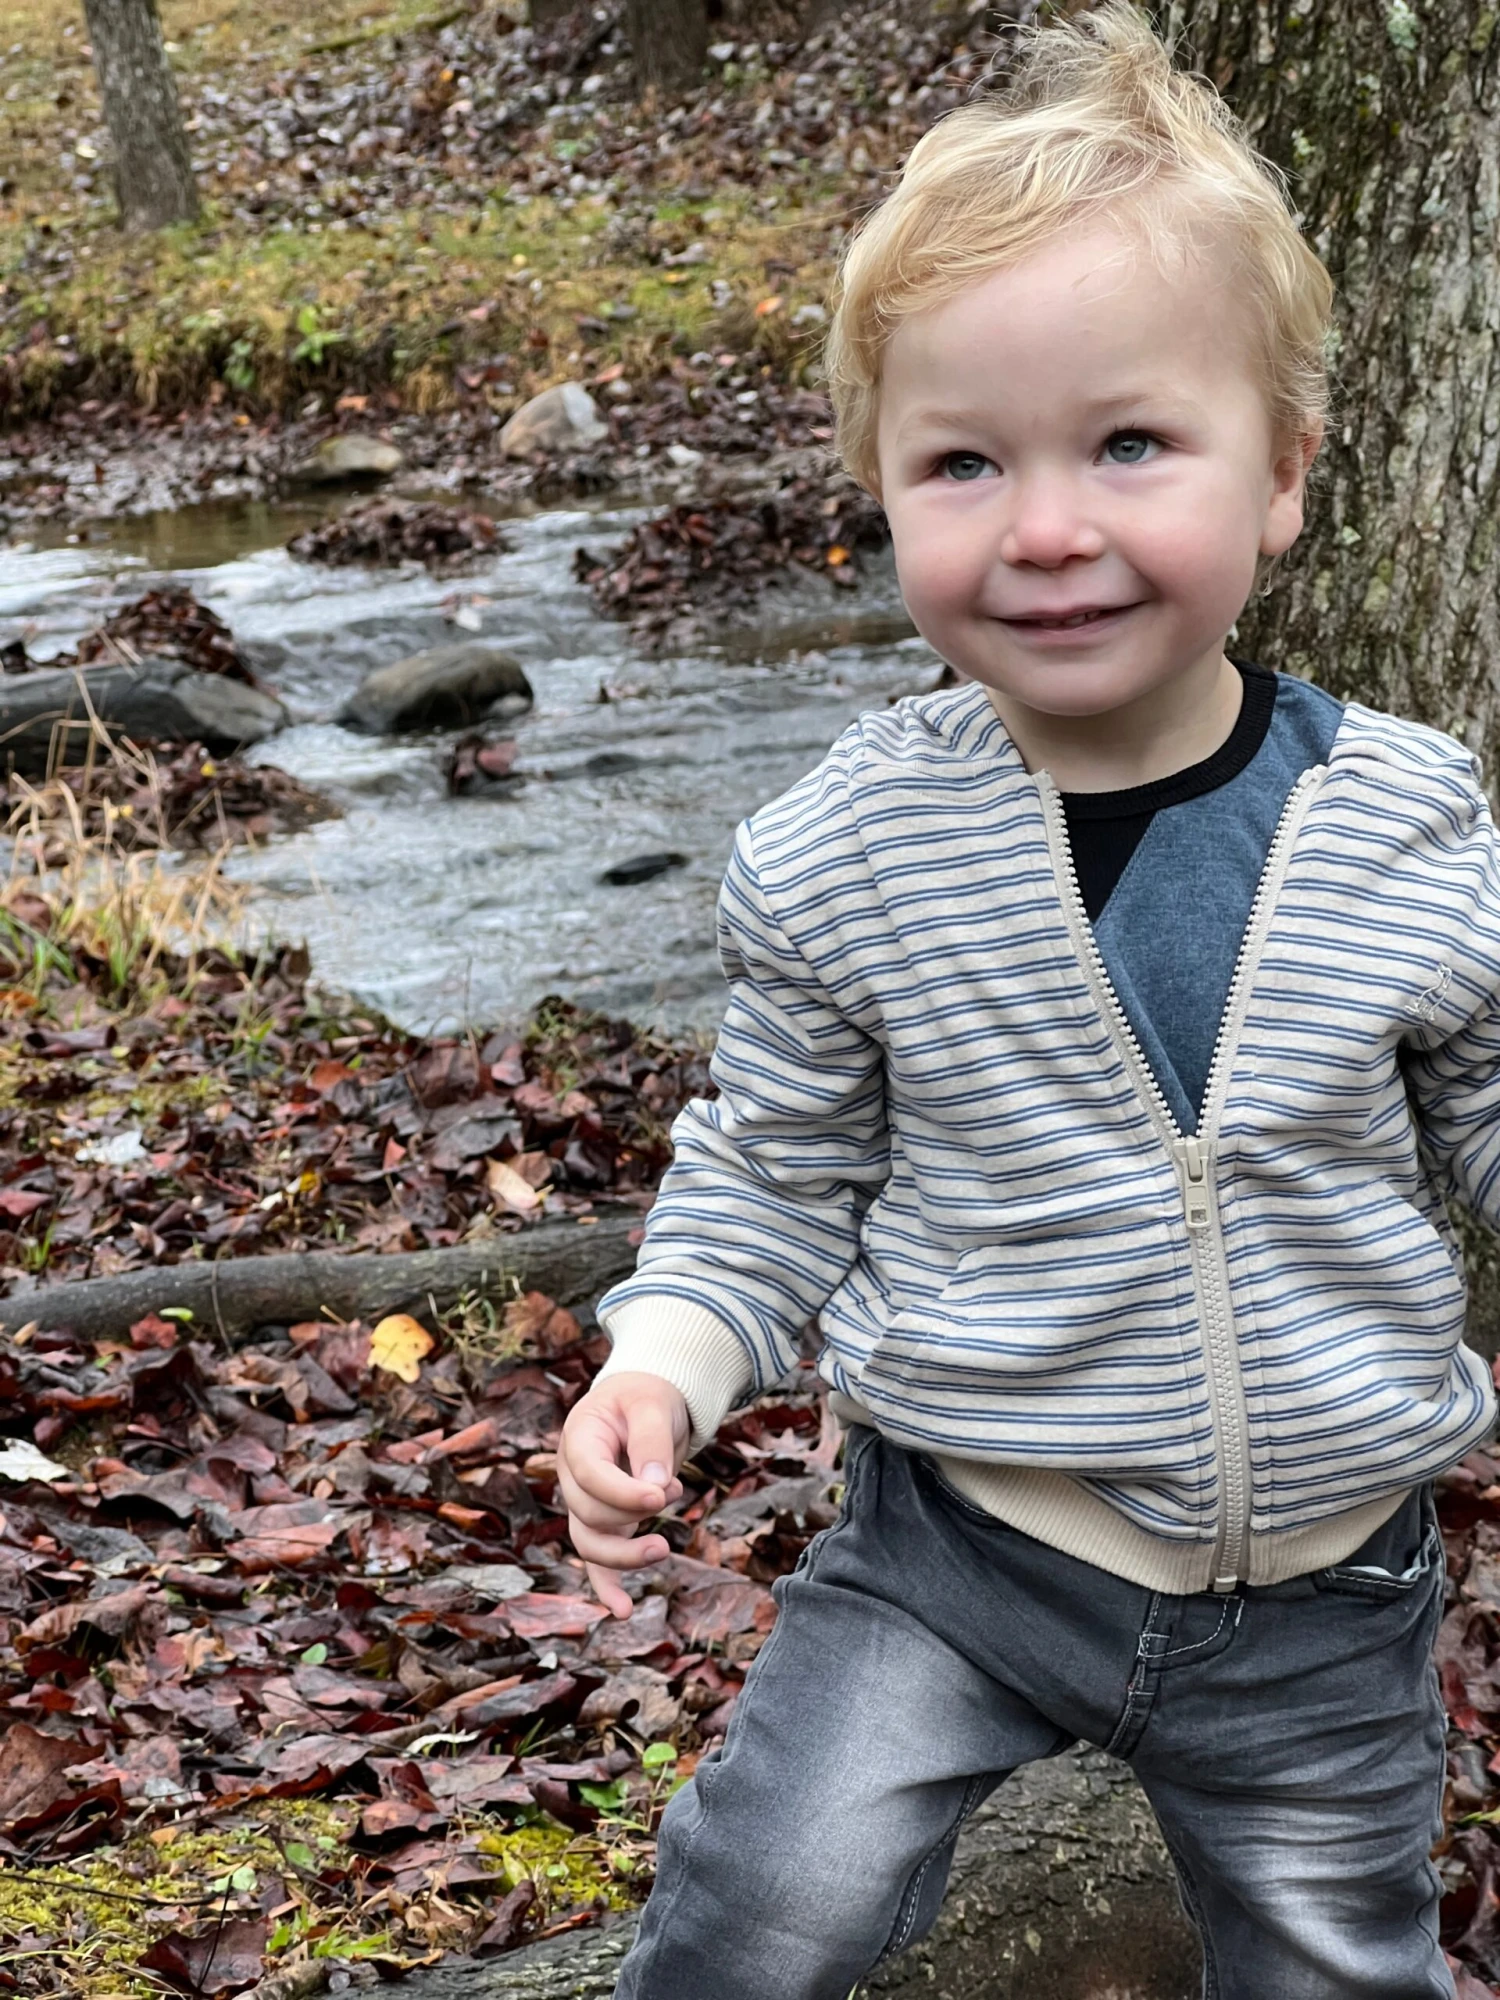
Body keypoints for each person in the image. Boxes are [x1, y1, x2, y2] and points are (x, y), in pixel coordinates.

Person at [556, 7, 1500, 1994]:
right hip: (962, 1558)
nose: (1049, 525)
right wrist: (666, 1357)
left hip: (1328, 1599)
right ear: (884, 494)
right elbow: (771, 1168)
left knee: (1345, 1966)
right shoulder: (845, 853)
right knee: (759, 1905)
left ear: (1286, 480)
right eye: (965, 463)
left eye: (1131, 443)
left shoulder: (1408, 823)